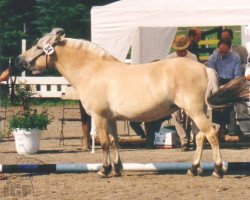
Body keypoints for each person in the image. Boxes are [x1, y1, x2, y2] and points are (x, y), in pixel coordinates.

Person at [167, 35, 199, 151]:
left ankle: (196, 139)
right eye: (178, 50)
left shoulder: (193, 57)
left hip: (189, 91)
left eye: (182, 49)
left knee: (192, 115)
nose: (180, 52)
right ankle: (184, 141)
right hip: (174, 92)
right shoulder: (169, 58)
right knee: (176, 116)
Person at [207, 39, 242, 139]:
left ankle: (231, 132)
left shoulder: (235, 57)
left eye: (224, 52)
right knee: (216, 106)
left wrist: (229, 86)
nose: (222, 53)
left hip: (231, 82)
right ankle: (218, 130)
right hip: (216, 82)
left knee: (229, 106)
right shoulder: (212, 58)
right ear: (218, 48)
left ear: (229, 48)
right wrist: (218, 88)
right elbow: (211, 75)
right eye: (220, 51)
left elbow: (237, 76)